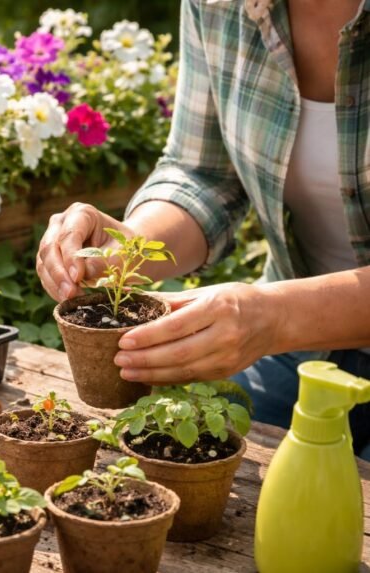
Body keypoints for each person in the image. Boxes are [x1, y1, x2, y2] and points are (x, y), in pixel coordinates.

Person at [36, 0, 370, 458]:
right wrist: (128, 248)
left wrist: (274, 318)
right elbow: (202, 173)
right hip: (303, 352)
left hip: (291, 326)